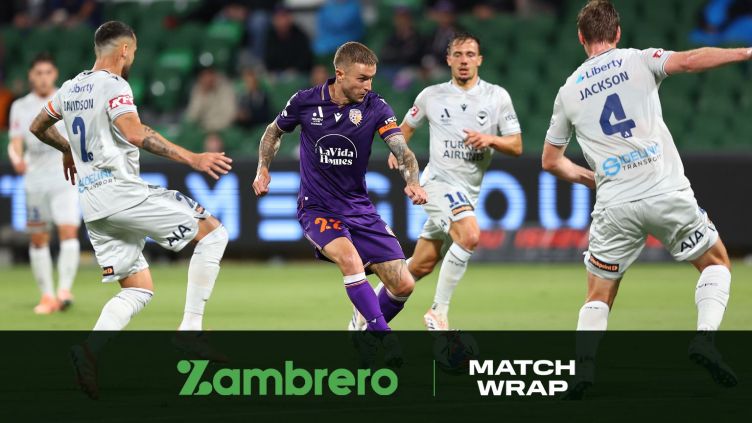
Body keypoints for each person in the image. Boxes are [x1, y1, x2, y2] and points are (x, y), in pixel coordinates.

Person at [541, 0, 751, 397]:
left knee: (598, 294)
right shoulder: (639, 59)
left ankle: (583, 372)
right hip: (664, 191)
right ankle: (704, 338)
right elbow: (690, 61)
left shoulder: (568, 91)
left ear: (581, 37)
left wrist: (595, 179)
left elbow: (551, 161)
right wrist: (745, 52)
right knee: (716, 262)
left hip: (615, 204)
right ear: (617, 33)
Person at [28, 21, 233, 399]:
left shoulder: (70, 87)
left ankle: (88, 351)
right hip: (121, 192)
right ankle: (191, 331)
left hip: (92, 205)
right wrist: (193, 157)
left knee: (138, 289)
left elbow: (38, 125)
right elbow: (136, 133)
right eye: (133, 52)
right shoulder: (115, 86)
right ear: (124, 50)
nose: (133, 58)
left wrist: (67, 148)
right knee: (214, 233)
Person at [252, 42, 427, 336]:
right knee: (350, 260)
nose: (368, 86)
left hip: (358, 208)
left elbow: (402, 151)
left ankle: (361, 330)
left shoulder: (376, 107)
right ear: (340, 74)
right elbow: (273, 132)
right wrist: (263, 167)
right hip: (317, 207)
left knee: (403, 285)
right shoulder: (305, 101)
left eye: (371, 78)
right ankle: (383, 337)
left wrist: (413, 181)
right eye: (362, 79)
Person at [353, 32, 523, 331]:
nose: (464, 60)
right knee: (469, 236)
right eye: (458, 54)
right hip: (437, 183)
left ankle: (363, 316)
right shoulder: (431, 96)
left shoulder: (497, 97)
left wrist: (490, 140)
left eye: (470, 54)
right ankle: (438, 312)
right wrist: (398, 152)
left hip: (468, 192)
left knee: (421, 265)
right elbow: (404, 129)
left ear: (479, 60)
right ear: (448, 60)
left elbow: (516, 145)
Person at [8, 53, 81, 314]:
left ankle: (64, 291)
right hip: (35, 182)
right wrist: (17, 158)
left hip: (65, 178)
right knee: (39, 238)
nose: (43, 78)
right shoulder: (20, 106)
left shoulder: (66, 99)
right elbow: (16, 141)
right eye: (38, 73)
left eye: (47, 72)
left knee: (69, 231)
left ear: (55, 74)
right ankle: (47, 295)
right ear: (31, 75)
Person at [185, 66, 237, 133]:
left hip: (222, 130)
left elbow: (229, 116)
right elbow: (191, 116)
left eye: (210, 74)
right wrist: (202, 96)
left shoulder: (225, 88)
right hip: (202, 130)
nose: (208, 78)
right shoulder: (197, 90)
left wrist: (212, 131)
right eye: (204, 75)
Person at [263, 6, 313, 75]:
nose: (282, 22)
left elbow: (305, 60)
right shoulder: (270, 36)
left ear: (290, 19)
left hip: (298, 74)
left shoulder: (300, 35)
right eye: (279, 18)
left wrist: (294, 70)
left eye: (284, 17)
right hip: (277, 74)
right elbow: (268, 61)